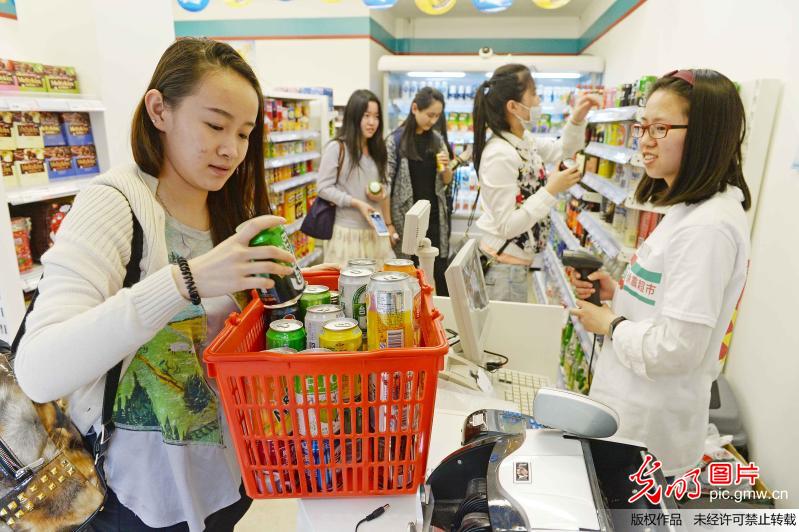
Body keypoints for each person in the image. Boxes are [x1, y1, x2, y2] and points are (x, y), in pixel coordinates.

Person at [14, 38, 333, 531]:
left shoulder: (230, 210)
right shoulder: (114, 205)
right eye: (214, 124)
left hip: (228, 483)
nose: (231, 148)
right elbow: (38, 370)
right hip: (137, 501)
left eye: (245, 133)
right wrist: (185, 281)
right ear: (159, 109)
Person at [569, 69, 751, 477]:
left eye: (661, 128)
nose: (645, 140)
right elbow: (668, 302)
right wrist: (618, 290)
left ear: (705, 134)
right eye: (643, 126)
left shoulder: (708, 227)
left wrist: (611, 325)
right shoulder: (689, 210)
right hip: (632, 421)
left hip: (649, 437)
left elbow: (678, 348)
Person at [472, 64, 601, 302]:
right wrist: (551, 189)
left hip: (513, 267)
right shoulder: (500, 153)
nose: (538, 100)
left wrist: (577, 118)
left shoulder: (524, 141)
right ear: (513, 106)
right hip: (502, 268)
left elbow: (562, 150)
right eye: (533, 94)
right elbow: (507, 226)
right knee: (504, 339)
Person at [316, 89, 393, 267]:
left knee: (379, 289)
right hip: (347, 234)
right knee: (349, 290)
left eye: (376, 117)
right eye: (366, 116)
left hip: (376, 233)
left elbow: (387, 184)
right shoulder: (337, 148)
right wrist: (356, 202)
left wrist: (381, 192)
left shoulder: (379, 150)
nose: (372, 122)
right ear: (354, 116)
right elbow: (323, 188)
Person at [387, 86, 452, 293]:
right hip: (406, 219)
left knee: (435, 271)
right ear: (415, 108)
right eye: (429, 115)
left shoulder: (437, 139)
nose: (433, 121)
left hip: (434, 218)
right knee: (409, 274)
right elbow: (386, 185)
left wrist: (447, 167)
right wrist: (389, 224)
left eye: (437, 116)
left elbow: (446, 180)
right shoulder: (395, 141)